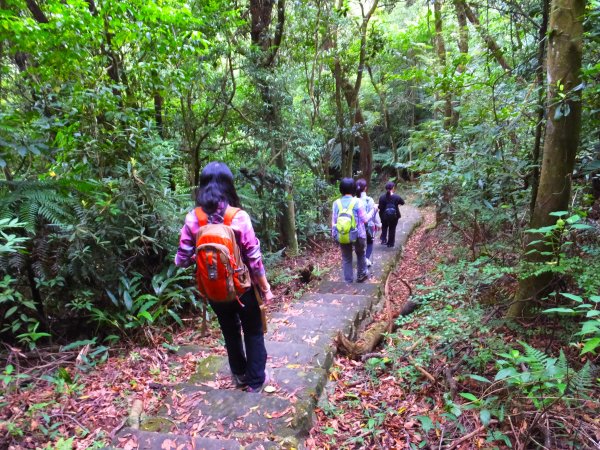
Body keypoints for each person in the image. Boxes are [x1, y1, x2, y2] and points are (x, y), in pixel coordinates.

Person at [175, 161, 273, 393]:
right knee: (253, 330)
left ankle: (239, 374)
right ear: (229, 186)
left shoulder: (193, 218)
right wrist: (266, 288)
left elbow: (182, 259)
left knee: (230, 330)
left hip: (213, 289)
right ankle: (256, 381)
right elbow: (253, 258)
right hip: (243, 287)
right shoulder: (238, 216)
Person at [332, 178, 378, 283]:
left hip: (343, 234)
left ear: (341, 189)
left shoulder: (336, 203)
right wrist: (374, 209)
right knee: (360, 254)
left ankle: (348, 281)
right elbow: (365, 219)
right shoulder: (357, 202)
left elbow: (334, 221)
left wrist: (334, 235)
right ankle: (361, 276)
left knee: (346, 258)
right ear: (353, 189)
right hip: (358, 234)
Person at [355, 179, 381, 267]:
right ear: (365, 188)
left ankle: (363, 260)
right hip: (369, 225)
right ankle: (366, 259)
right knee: (370, 242)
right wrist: (378, 224)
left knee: (359, 245)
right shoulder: (369, 200)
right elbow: (374, 213)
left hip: (357, 226)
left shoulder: (354, 200)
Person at [378, 181, 405, 248]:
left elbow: (380, 207)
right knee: (392, 228)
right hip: (394, 216)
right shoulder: (397, 197)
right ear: (393, 188)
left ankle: (383, 239)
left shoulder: (382, 197)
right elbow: (402, 202)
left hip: (384, 216)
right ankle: (390, 243)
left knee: (384, 227)